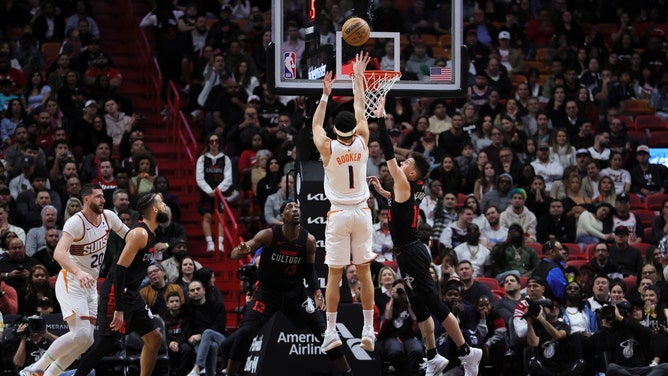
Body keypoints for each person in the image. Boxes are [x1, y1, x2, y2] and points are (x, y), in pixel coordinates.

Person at [369, 95, 482, 376]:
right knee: (419, 308)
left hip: (411, 250)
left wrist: (381, 119)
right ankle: (433, 356)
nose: (401, 164)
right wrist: (382, 194)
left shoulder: (405, 184)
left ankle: (468, 352)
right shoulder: (409, 188)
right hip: (407, 251)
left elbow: (387, 152)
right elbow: (399, 205)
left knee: (434, 304)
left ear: (411, 171)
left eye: (406, 163)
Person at [224, 201, 354, 375]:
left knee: (326, 334)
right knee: (246, 332)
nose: (294, 210)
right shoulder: (269, 235)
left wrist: (316, 292)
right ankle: (230, 373)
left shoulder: (308, 240)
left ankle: (348, 373)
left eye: (296, 207)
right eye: (289, 208)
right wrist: (241, 250)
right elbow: (234, 255)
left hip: (295, 294)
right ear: (282, 216)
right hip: (267, 293)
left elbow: (309, 270)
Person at [19, 184, 129, 376]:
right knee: (79, 334)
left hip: (90, 285)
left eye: (103, 196)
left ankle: (49, 374)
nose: (103, 200)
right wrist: (78, 272)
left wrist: (146, 236)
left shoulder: (108, 217)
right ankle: (35, 368)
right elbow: (59, 254)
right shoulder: (75, 222)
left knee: (87, 340)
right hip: (72, 280)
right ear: (86, 200)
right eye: (98, 197)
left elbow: (130, 235)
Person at [311, 55, 377, 353]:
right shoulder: (363, 138)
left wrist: (325, 94)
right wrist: (358, 79)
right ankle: (368, 329)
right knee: (364, 272)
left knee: (335, 275)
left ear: (335, 130)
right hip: (362, 212)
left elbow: (315, 125)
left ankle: (330, 332)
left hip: (338, 213)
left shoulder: (327, 147)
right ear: (353, 129)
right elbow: (361, 108)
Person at [73, 193, 169, 376]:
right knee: (104, 345)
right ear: (154, 209)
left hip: (132, 294)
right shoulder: (140, 233)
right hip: (117, 293)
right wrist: (118, 308)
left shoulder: (151, 232)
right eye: (161, 203)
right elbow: (118, 270)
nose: (165, 205)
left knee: (154, 338)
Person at [196, 132, 232, 252]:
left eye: (216, 141)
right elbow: (199, 177)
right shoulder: (202, 159)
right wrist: (209, 190)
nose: (214, 144)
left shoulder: (225, 158)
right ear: (208, 143)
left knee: (221, 216)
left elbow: (228, 177)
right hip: (206, 192)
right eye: (212, 141)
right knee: (207, 216)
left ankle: (220, 242)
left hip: (220, 193)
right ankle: (210, 242)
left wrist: (218, 190)